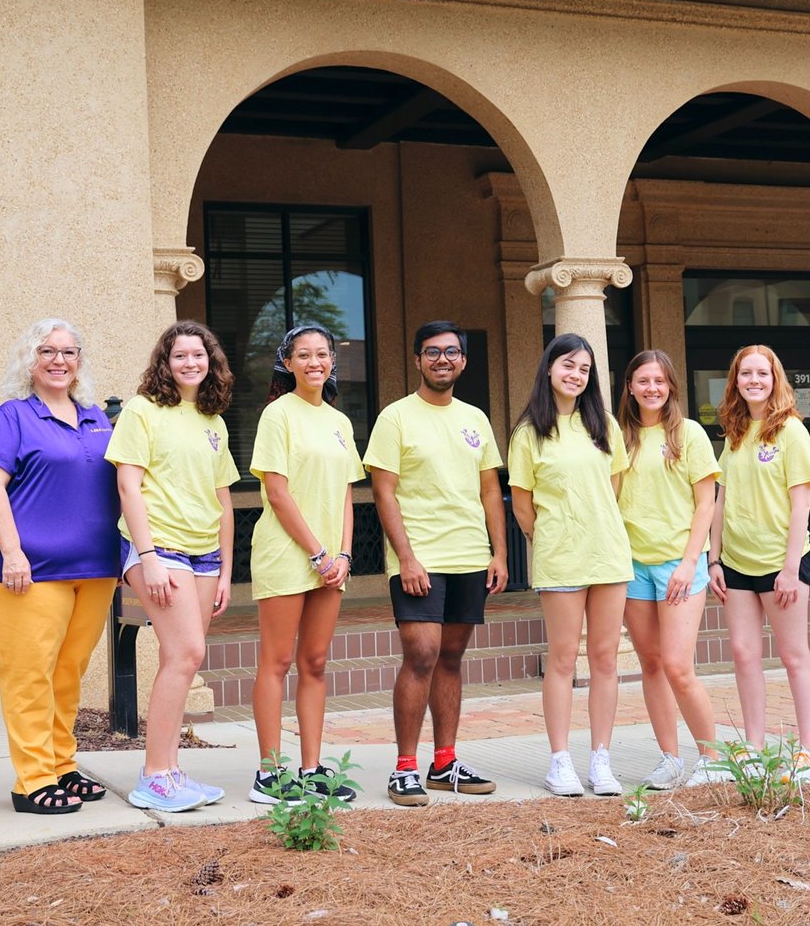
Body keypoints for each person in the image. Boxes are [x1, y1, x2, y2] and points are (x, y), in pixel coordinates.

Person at [0, 319, 121, 814]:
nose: (58, 361)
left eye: (68, 352)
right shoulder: (12, 417)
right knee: (30, 673)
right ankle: (32, 780)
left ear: (79, 362)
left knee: (68, 671)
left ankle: (61, 765)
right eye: (46, 351)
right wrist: (13, 554)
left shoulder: (97, 417)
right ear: (29, 361)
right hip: (23, 569)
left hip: (93, 569)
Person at [365, 321, 508, 805]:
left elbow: (491, 489)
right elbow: (382, 490)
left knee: (450, 657)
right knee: (421, 654)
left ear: (463, 361)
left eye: (451, 352)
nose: (442, 359)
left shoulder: (476, 419)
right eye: (432, 352)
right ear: (417, 360)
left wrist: (500, 551)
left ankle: (444, 763)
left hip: (469, 554)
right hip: (419, 556)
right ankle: (404, 767)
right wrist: (405, 556)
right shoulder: (395, 417)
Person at [107, 320, 239, 813]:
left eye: (198, 355)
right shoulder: (143, 410)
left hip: (206, 553)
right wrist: (149, 557)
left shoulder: (212, 420)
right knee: (186, 653)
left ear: (211, 363)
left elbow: (223, 501)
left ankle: (170, 770)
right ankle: (154, 776)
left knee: (181, 659)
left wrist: (226, 572)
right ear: (165, 362)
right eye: (180, 355)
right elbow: (128, 487)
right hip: (159, 548)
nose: (190, 363)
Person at [509, 333, 632, 797]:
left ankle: (601, 759)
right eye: (567, 365)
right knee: (562, 659)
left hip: (608, 555)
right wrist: (555, 536)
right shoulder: (528, 433)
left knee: (604, 660)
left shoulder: (604, 427)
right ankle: (560, 760)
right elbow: (523, 505)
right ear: (548, 369)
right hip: (560, 557)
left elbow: (614, 488)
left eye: (584, 369)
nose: (575, 375)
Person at [247, 325, 365, 806]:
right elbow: (276, 491)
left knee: (315, 663)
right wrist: (317, 552)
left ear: (332, 362)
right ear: (288, 363)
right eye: (304, 355)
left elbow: (346, 496)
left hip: (329, 564)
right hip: (286, 554)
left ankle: (313, 770)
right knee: (275, 662)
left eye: (322, 354)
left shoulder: (340, 422)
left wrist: (343, 555)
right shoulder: (278, 415)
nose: (315, 362)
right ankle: (269, 773)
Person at [707, 344, 810, 782]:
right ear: (734, 381)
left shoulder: (791, 432)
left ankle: (808, 753)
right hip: (736, 562)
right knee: (743, 654)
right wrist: (713, 559)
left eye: (762, 373)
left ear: (775, 379)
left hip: (781, 564)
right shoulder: (735, 433)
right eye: (745, 374)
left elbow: (801, 505)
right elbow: (720, 500)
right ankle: (754, 747)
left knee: (794, 656)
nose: (753, 380)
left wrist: (791, 569)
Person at [616, 350, 732, 790]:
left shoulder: (689, 434)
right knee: (650, 664)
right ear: (629, 386)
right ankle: (669, 758)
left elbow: (707, 501)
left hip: (678, 565)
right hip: (632, 566)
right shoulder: (619, 436)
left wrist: (691, 561)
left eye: (660, 381)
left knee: (678, 666)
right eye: (643, 380)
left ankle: (712, 758)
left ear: (671, 388)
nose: (651, 388)